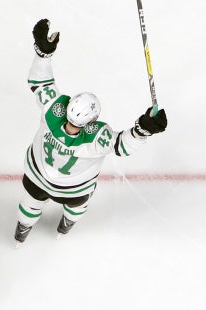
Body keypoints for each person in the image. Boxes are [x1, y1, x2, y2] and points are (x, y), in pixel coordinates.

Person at [14, 19, 168, 244]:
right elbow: (122, 145)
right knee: (77, 208)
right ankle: (65, 226)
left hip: (37, 176)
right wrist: (144, 129)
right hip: (73, 189)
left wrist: (43, 54)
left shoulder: (52, 109)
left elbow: (40, 82)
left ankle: (22, 230)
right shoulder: (97, 137)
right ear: (91, 121)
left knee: (30, 203)